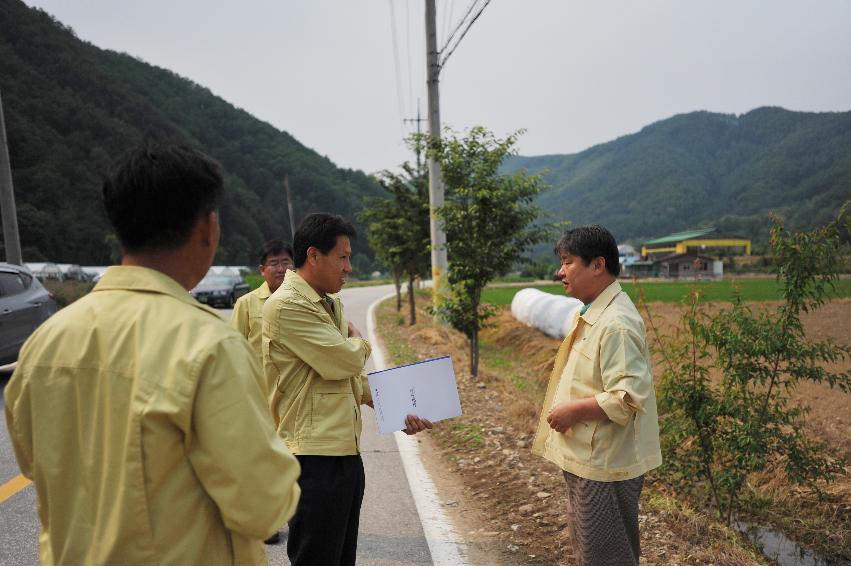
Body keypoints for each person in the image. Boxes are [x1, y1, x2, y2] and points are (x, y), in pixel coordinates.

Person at [4, 145, 301, 566]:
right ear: (207, 227)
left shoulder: (43, 344)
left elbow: (36, 467)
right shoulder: (209, 344)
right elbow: (265, 506)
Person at [263, 212, 432, 566]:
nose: (349, 267)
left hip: (343, 453)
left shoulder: (330, 303)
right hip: (312, 457)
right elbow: (342, 362)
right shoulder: (287, 305)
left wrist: (398, 409)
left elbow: (348, 380)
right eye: (343, 257)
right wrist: (359, 341)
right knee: (316, 558)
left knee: (341, 558)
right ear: (313, 256)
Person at [531, 224, 662, 566]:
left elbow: (628, 396)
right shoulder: (592, 312)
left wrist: (573, 410)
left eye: (568, 261)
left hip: (604, 462)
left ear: (598, 265)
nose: (560, 271)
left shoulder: (616, 323)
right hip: (589, 457)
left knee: (606, 556)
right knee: (592, 551)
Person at [232, 239, 295, 397]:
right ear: (262, 269)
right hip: (261, 390)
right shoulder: (246, 303)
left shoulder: (305, 300)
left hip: (296, 389)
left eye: (286, 262)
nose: (281, 269)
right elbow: (235, 350)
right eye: (274, 263)